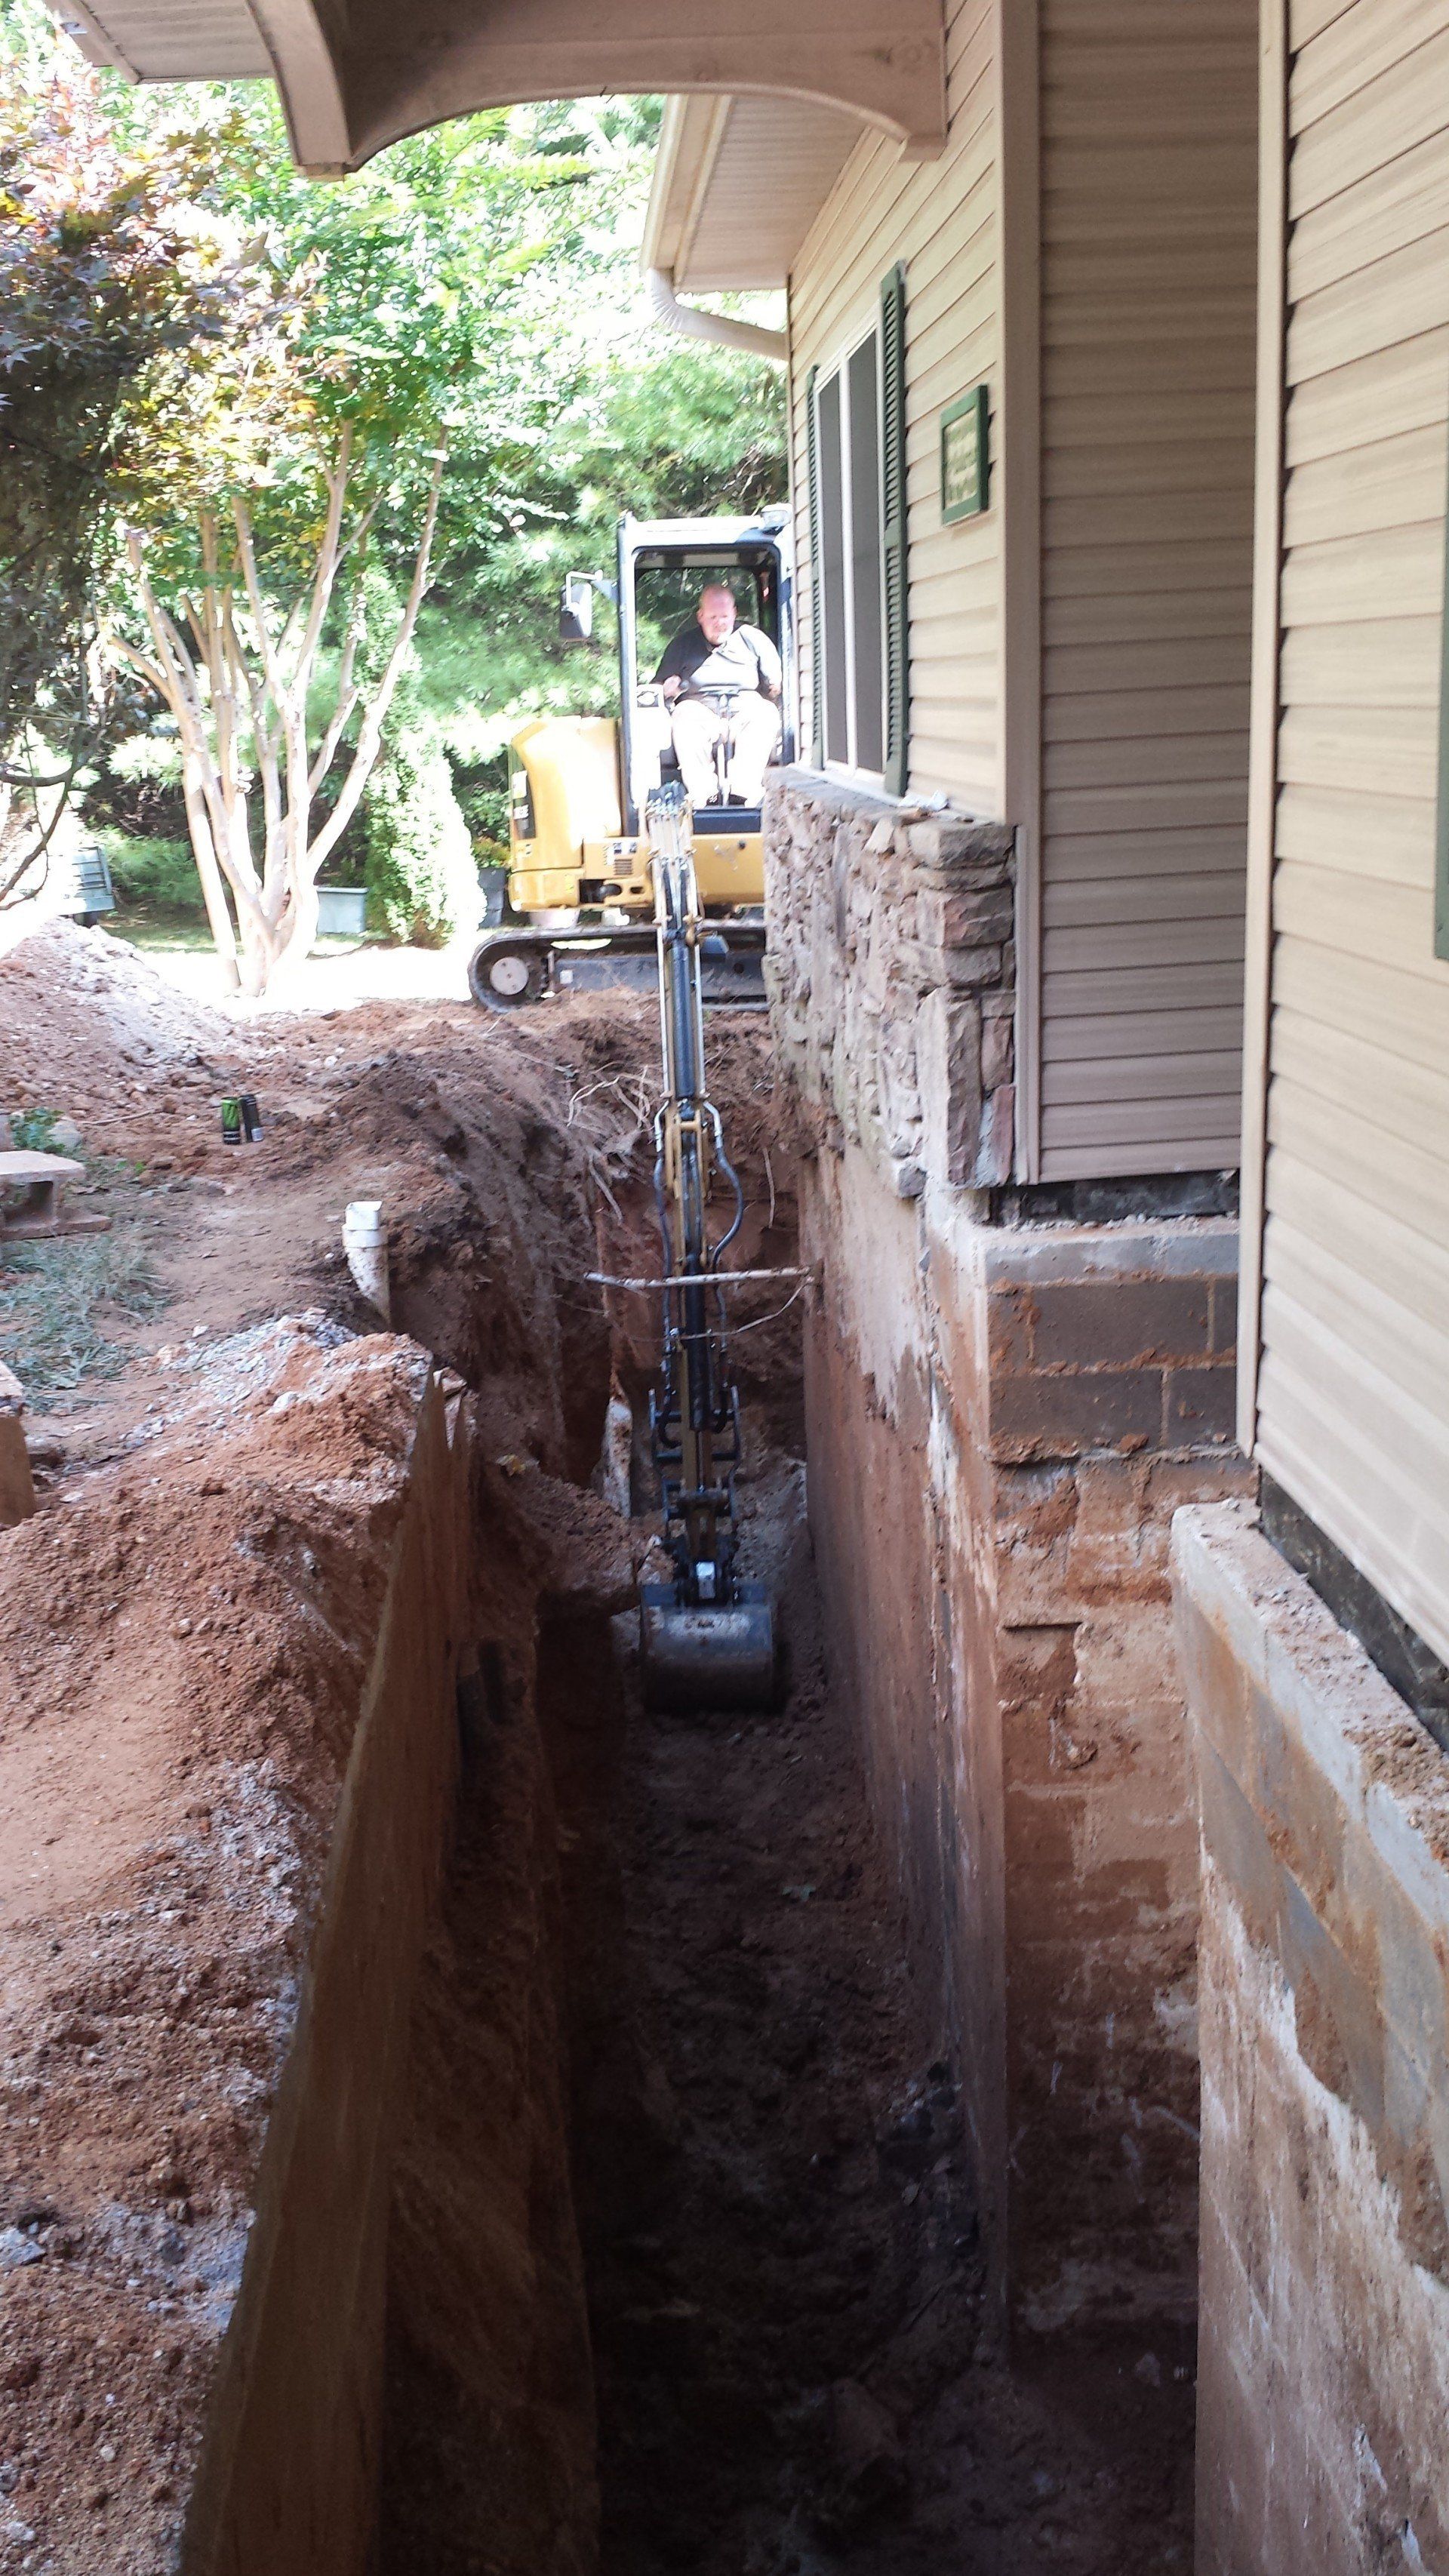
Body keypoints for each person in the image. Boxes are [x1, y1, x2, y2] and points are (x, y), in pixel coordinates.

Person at [654, 583, 783, 808]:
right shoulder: (681, 646)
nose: (720, 623)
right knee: (684, 715)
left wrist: (774, 687)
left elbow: (775, 685)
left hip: (744, 713)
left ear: (734, 613)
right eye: (713, 617)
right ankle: (704, 797)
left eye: (725, 616)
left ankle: (743, 793)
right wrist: (666, 692)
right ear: (701, 616)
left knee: (766, 713)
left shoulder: (754, 640)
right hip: (701, 713)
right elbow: (655, 692)